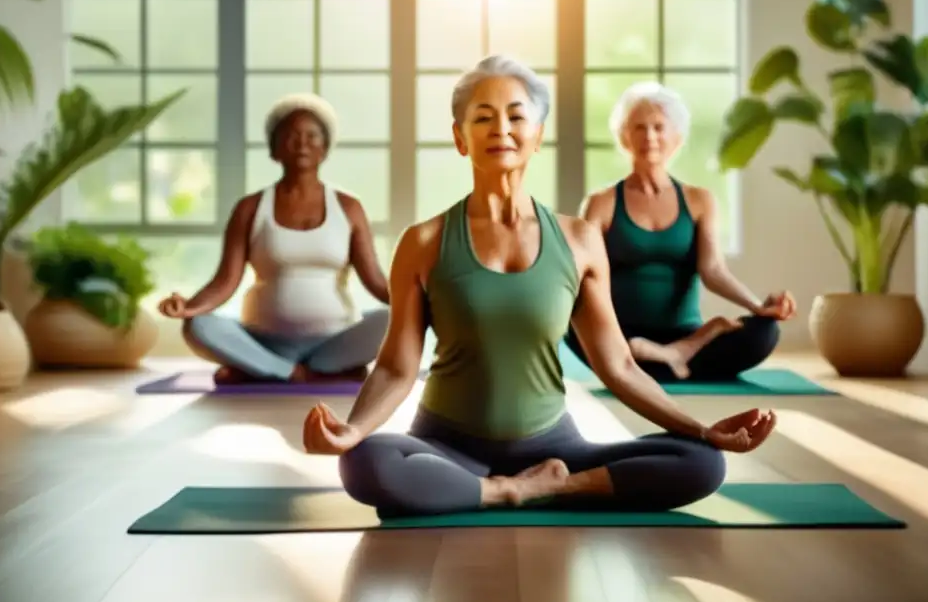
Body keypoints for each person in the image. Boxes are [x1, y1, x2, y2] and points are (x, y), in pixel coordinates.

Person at [300, 56, 777, 517]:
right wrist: (353, 429)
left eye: (515, 116)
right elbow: (395, 367)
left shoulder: (580, 240)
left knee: (701, 462)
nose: (501, 129)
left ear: (537, 136)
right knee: (365, 463)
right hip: (446, 445)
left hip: (554, 446)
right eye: (483, 117)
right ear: (460, 138)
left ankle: (559, 485)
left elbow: (619, 366)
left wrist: (702, 429)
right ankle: (507, 491)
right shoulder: (424, 242)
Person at [563, 81, 796, 383]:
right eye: (639, 128)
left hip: (683, 332)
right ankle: (669, 359)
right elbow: (585, 275)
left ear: (676, 138)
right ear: (624, 137)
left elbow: (712, 270)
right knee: (575, 325)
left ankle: (671, 354)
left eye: (659, 127)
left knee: (764, 332)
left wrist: (758, 307)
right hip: (621, 333)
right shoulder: (601, 204)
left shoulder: (699, 200)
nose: (650, 137)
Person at [158, 93, 390, 385]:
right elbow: (225, 281)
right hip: (264, 339)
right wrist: (189, 307)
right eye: (291, 136)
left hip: (335, 341)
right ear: (274, 149)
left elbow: (376, 281)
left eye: (312, 136)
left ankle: (261, 370)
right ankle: (294, 371)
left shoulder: (349, 207)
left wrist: (426, 300)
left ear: (325, 148)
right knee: (199, 326)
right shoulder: (250, 208)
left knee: (397, 320)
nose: (302, 143)